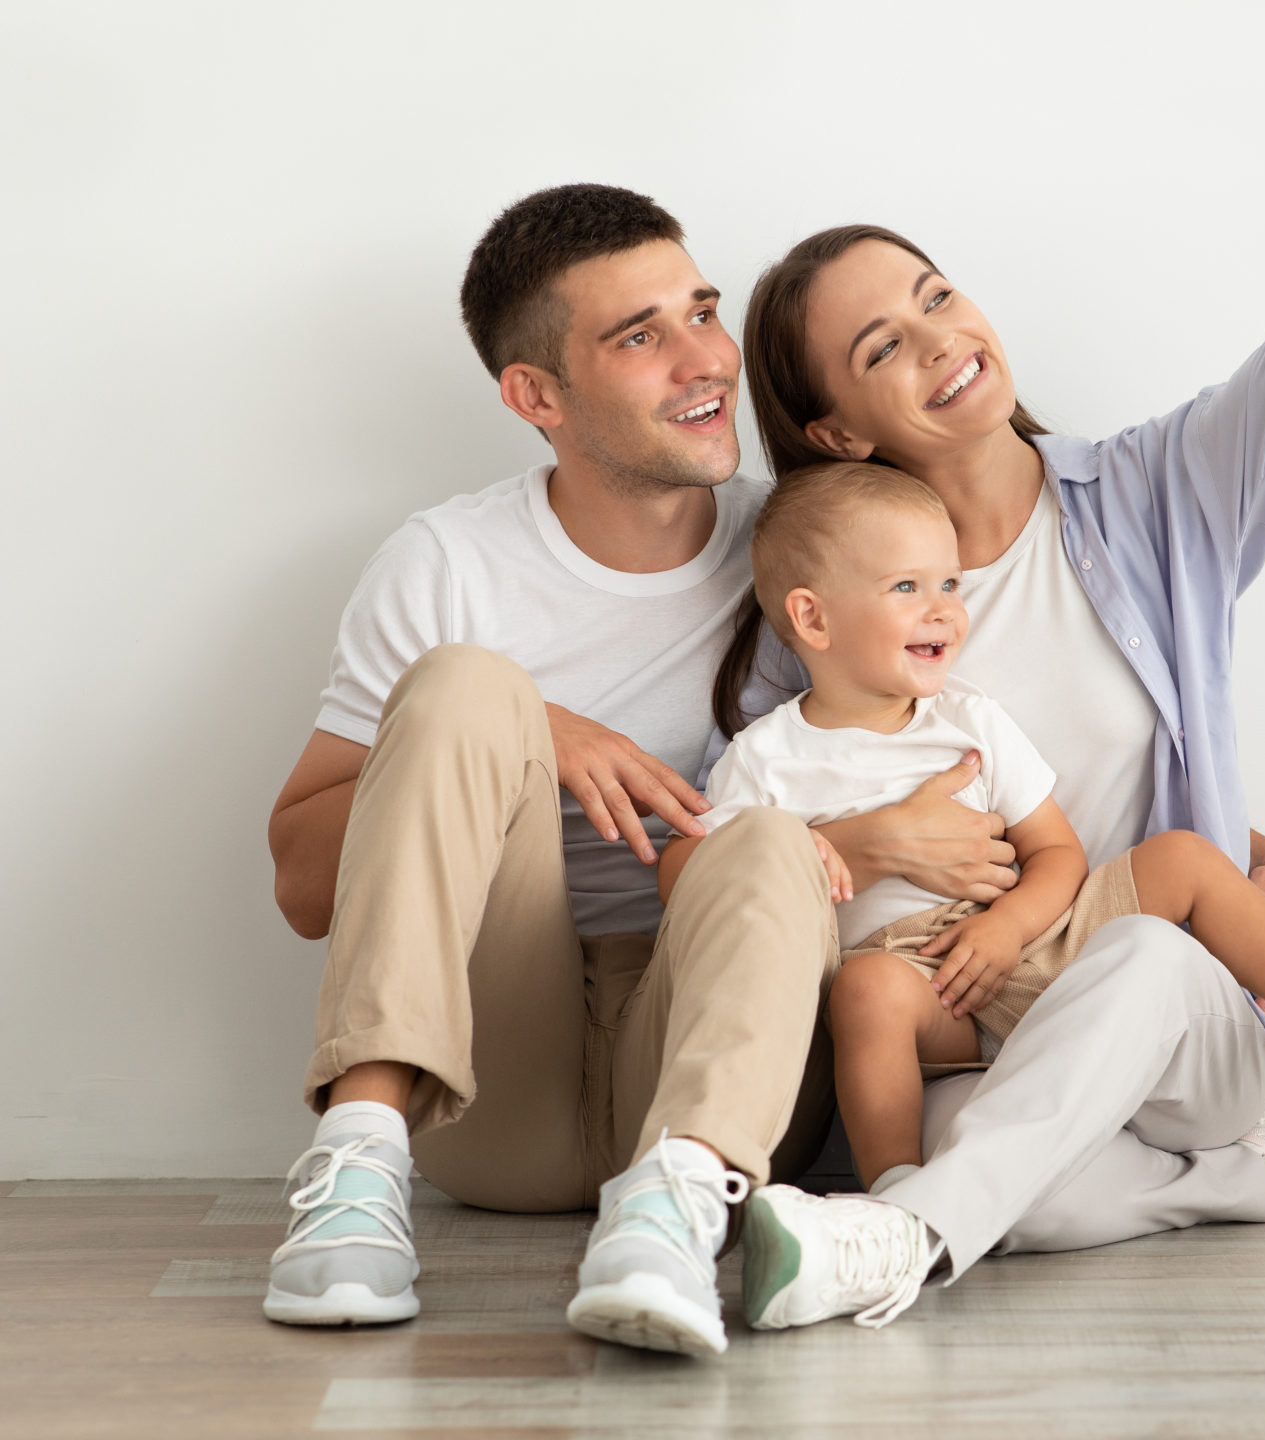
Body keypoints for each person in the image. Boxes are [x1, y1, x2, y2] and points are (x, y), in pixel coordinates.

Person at [688, 87, 1265, 1334]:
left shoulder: (1150, 496)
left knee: (1141, 954)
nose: (937, 339)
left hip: (1173, 1010)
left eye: (935, 296)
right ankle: (1263, 1176)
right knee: (1021, 1195)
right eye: (881, 346)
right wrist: (866, 850)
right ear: (832, 427)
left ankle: (903, 1240)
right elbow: (756, 880)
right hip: (963, 1041)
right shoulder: (815, 620)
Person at [262, 183, 867, 1356]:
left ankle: (671, 1216)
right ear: (536, 394)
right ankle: (354, 1168)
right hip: (487, 1085)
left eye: (702, 310)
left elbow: (954, 729)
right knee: (464, 685)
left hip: (717, 1079)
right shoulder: (448, 560)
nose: (704, 361)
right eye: (639, 337)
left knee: (759, 837)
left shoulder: (798, 544)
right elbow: (298, 887)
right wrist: (533, 733)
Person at [701, 461, 1265, 1217]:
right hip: (920, 982)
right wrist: (824, 849)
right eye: (907, 588)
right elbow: (714, 882)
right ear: (813, 619)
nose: (942, 611)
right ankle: (897, 1202)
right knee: (866, 995)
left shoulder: (971, 721)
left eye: (950, 585)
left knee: (1182, 857)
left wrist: (1009, 927)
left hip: (1038, 941)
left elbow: (1058, 854)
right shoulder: (768, 759)